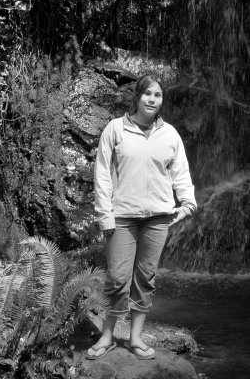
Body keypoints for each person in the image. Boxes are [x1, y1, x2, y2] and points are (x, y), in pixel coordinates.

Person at [87, 74, 197, 360]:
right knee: (117, 278)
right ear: (137, 97)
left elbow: (180, 172)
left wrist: (187, 204)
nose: (152, 99)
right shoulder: (115, 129)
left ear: (162, 100)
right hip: (121, 217)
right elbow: (101, 174)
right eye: (148, 93)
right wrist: (105, 215)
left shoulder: (170, 134)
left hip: (158, 218)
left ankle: (135, 338)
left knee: (146, 278)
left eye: (158, 95)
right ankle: (108, 336)